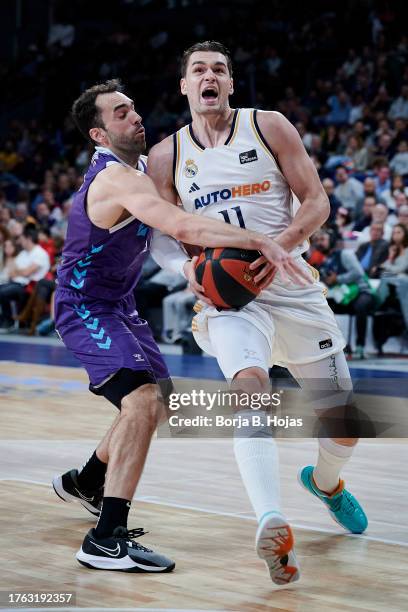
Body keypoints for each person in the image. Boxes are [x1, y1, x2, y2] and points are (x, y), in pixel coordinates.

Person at [52, 79, 307, 573]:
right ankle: (106, 538)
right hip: (85, 306)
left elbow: (183, 218)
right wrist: (260, 240)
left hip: (119, 304)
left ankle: (87, 480)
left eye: (132, 108)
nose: (135, 116)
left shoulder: (145, 168)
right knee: (142, 401)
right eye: (121, 113)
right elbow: (183, 228)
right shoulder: (115, 179)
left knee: (160, 400)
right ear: (99, 135)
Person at [148, 41, 368, 586]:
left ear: (231, 84)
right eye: (198, 69)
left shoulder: (268, 125)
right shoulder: (166, 156)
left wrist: (281, 246)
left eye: (219, 69)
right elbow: (162, 239)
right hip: (227, 298)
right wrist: (188, 273)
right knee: (249, 386)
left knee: (344, 425)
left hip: (291, 286)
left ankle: (326, 483)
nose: (209, 76)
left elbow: (317, 200)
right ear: (184, 86)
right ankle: (271, 518)